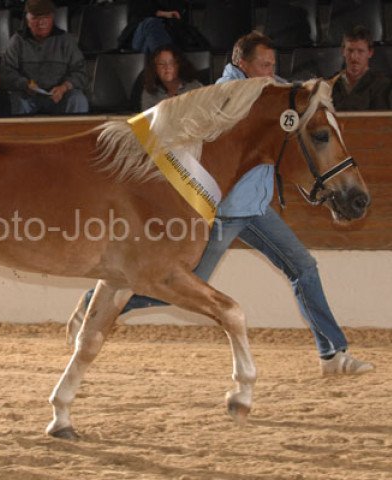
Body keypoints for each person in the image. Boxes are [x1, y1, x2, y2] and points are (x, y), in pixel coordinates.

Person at [77, 31, 374, 377]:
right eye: (263, 65)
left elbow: (294, 104)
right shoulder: (222, 99)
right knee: (174, 284)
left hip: (256, 209)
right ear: (240, 63)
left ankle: (332, 354)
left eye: (273, 65)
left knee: (303, 267)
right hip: (221, 213)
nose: (270, 72)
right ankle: (95, 302)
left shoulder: (266, 93)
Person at [1, 0, 89, 115]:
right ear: (28, 21)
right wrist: (25, 84)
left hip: (60, 97)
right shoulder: (17, 41)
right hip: (28, 96)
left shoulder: (66, 40)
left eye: (46, 17)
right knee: (16, 99)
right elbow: (7, 73)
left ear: (52, 19)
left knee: (77, 99)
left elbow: (81, 73)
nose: (41, 22)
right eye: (35, 18)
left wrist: (64, 87)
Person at [331, 25, 390, 111]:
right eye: (350, 50)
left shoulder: (383, 86)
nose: (354, 57)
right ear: (343, 51)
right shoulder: (330, 85)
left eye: (360, 51)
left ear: (370, 53)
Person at [118, 0, 208, 54]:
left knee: (150, 44)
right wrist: (163, 14)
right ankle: (167, 62)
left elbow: (178, 13)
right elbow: (139, 10)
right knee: (151, 24)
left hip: (166, 35)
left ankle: (158, 71)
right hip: (139, 35)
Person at [140, 44, 202, 110]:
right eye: (161, 63)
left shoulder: (195, 88)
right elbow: (147, 119)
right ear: (155, 68)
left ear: (179, 65)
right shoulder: (149, 92)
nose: (167, 67)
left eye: (171, 63)